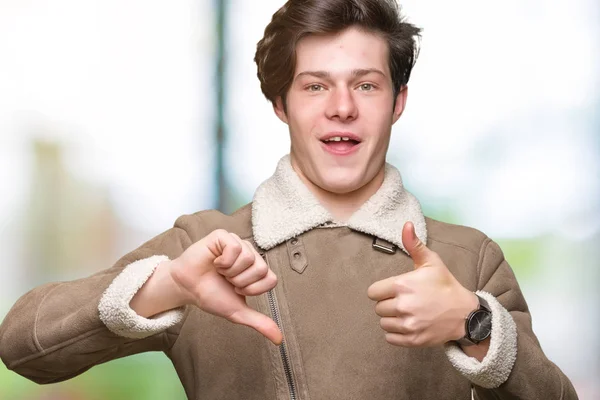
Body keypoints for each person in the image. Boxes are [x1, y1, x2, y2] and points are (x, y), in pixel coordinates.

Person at [0, 0, 579, 399]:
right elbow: (23, 346)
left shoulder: (467, 259)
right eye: (315, 85)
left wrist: (474, 323)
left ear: (398, 101)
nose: (342, 107)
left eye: (366, 84)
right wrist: (169, 285)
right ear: (281, 104)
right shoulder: (206, 248)